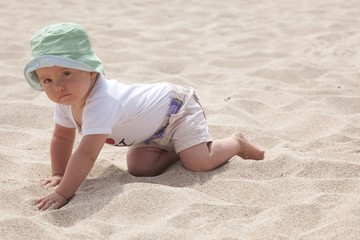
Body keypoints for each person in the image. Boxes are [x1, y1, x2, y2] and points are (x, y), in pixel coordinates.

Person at [24, 23, 265, 211]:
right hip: (150, 132)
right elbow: (62, 139)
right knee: (140, 168)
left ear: (90, 69)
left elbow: (86, 154)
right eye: (47, 80)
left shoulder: (102, 101)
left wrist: (63, 192)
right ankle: (179, 147)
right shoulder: (67, 101)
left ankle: (236, 143)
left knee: (198, 162)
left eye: (66, 73)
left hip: (175, 109)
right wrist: (59, 173)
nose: (58, 86)